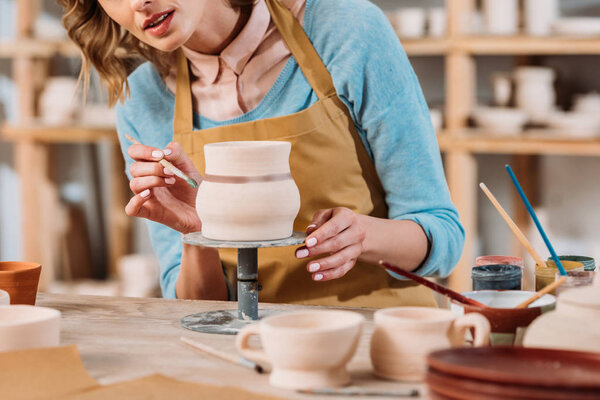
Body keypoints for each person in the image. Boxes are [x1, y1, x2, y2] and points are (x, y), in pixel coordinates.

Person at [59, 0, 464, 307]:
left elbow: (443, 235)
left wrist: (365, 236)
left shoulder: (347, 30)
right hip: (247, 354)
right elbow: (193, 307)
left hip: (378, 342)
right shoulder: (142, 101)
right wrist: (196, 232)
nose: (137, 3)